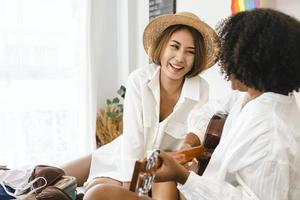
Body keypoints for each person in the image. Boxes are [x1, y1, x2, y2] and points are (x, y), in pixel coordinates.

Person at [82, 8, 300, 200]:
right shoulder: (247, 99)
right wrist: (189, 144)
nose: (226, 64)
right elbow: (206, 112)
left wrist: (183, 176)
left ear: (255, 61)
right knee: (98, 192)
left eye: (233, 54)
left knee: (98, 195)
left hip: (194, 189)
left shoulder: (272, 133)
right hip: (188, 187)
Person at [62, 11, 220, 200]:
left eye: (190, 52)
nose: (180, 58)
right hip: (122, 160)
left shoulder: (201, 89)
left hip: (163, 173)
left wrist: (186, 154)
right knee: (54, 179)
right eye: (174, 47)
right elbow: (133, 140)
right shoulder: (139, 80)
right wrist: (130, 187)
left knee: (95, 194)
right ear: (162, 48)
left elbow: (198, 129)